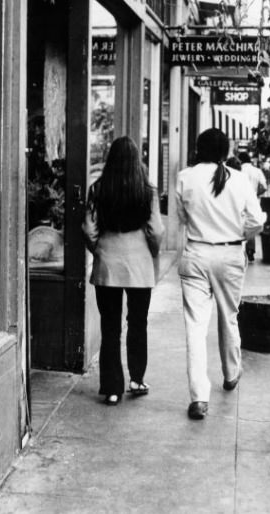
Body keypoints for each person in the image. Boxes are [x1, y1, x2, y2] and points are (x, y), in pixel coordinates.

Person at [176, 129, 265, 421]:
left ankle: (199, 398)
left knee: (195, 327)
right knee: (228, 316)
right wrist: (239, 234)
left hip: (197, 254)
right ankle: (230, 373)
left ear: (198, 149)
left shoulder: (185, 177)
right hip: (229, 254)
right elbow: (257, 221)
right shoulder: (238, 179)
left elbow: (181, 217)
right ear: (225, 152)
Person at [83, 136, 164, 406]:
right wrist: (150, 251)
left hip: (107, 266)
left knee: (110, 327)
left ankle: (112, 388)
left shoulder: (98, 189)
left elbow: (89, 229)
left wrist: (99, 250)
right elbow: (156, 231)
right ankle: (137, 379)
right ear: (136, 160)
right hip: (139, 266)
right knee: (138, 323)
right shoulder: (148, 191)